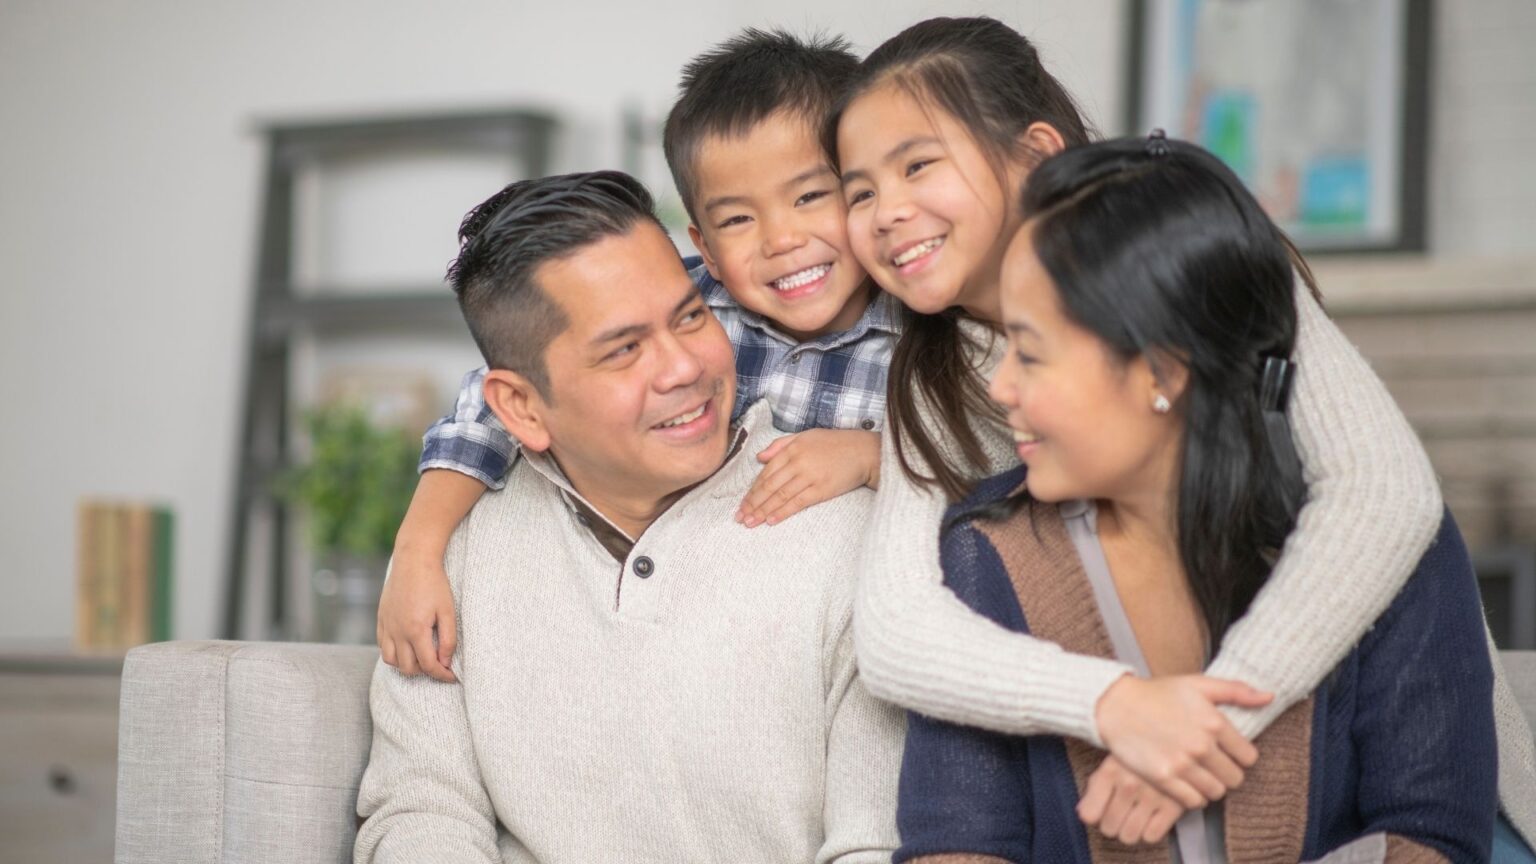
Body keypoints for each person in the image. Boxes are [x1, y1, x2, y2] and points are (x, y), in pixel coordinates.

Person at [827, 15, 1536, 844]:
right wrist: (1118, 707)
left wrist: (1205, 722)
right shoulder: (931, 382)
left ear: (1036, 153)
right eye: (858, 191)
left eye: (917, 165)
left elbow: (1384, 497)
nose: (887, 212)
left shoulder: (1196, 251)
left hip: (1389, 754)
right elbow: (897, 633)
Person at [352, 171, 903, 863]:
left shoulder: (853, 540)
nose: (684, 368)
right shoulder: (445, 565)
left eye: (691, 316)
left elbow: (876, 843)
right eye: (623, 350)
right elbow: (422, 808)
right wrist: (418, 548)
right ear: (521, 407)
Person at [376, 30, 902, 682]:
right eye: (738, 220)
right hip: (683, 620)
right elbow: (495, 404)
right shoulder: (684, 303)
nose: (781, 240)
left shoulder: (926, 337)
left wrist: (873, 456)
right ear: (705, 248)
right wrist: (418, 548)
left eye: (810, 196)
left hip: (827, 633)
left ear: (864, 193)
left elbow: (983, 473)